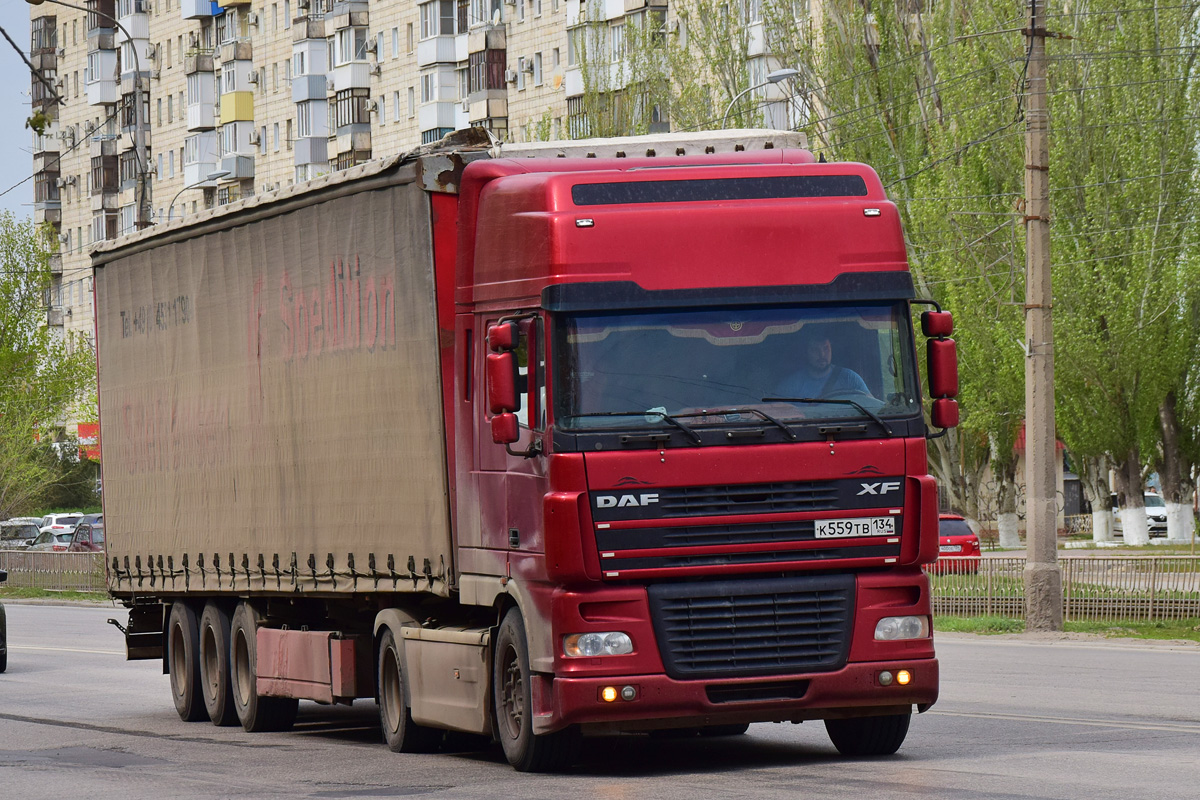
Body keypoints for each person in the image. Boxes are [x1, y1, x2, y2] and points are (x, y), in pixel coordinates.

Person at [775, 325, 871, 399]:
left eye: (826, 348)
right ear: (806, 352)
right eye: (815, 350)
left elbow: (871, 406)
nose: (822, 355)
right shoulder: (791, 385)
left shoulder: (850, 379)